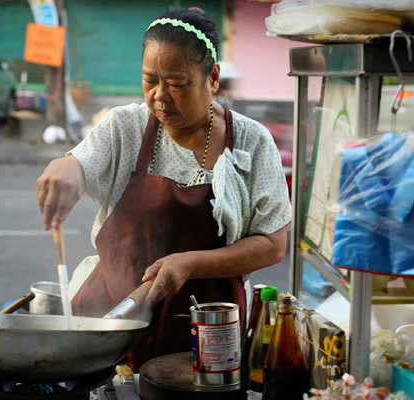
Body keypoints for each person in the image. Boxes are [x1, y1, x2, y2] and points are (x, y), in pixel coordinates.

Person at [36, 7, 290, 369]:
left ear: (213, 78)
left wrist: (188, 264)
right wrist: (63, 169)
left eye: (176, 83)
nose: (159, 96)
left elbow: (272, 244)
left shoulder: (252, 141)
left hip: (208, 334)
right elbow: (79, 163)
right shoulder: (124, 127)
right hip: (112, 323)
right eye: (149, 80)